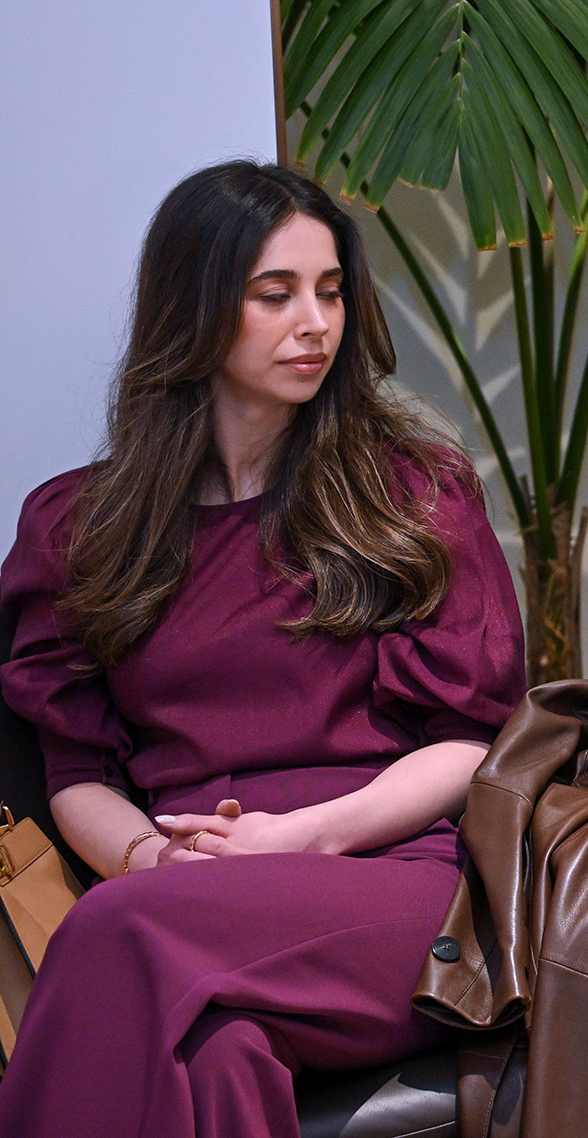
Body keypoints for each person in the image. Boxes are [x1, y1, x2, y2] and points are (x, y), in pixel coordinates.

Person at [0, 162, 525, 1138]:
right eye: (275, 294)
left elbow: (469, 742)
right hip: (180, 895)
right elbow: (75, 772)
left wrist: (305, 835)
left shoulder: (410, 495)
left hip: (392, 882)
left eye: (330, 291)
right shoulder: (81, 525)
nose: (316, 323)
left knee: (110, 928)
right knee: (216, 1056)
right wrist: (152, 858)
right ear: (194, 308)